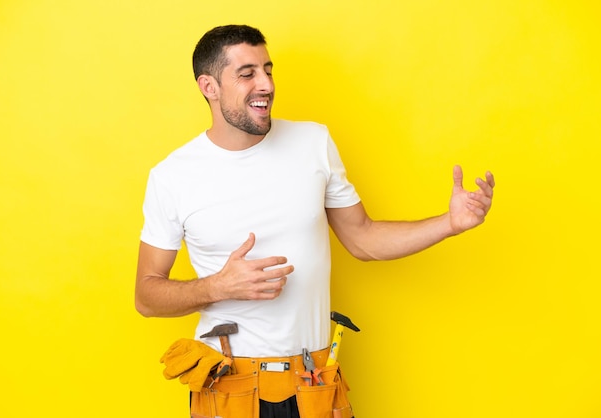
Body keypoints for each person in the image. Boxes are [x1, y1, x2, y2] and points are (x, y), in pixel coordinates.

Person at [135, 24, 495, 418]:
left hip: (315, 386)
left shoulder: (313, 143)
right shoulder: (173, 176)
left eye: (268, 70)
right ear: (209, 86)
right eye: (247, 73)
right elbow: (146, 296)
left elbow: (364, 238)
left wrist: (450, 223)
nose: (266, 85)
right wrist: (218, 286)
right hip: (230, 391)